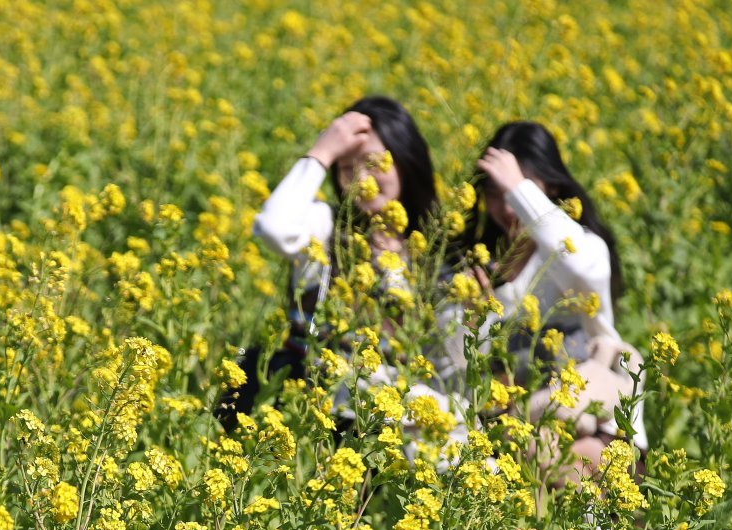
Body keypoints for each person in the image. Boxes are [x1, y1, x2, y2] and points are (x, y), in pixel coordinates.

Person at [223, 96, 455, 446]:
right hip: (313, 404)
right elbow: (274, 227)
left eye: (374, 163)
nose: (362, 179)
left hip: (388, 417)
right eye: (347, 168)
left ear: (407, 162)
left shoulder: (435, 254)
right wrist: (322, 152)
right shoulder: (325, 227)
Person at [466, 121, 648, 479]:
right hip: (509, 432)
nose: (507, 206)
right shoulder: (480, 266)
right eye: (495, 193)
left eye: (516, 192)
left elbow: (580, 260)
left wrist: (518, 187)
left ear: (548, 185)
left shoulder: (579, 250)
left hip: (591, 426)